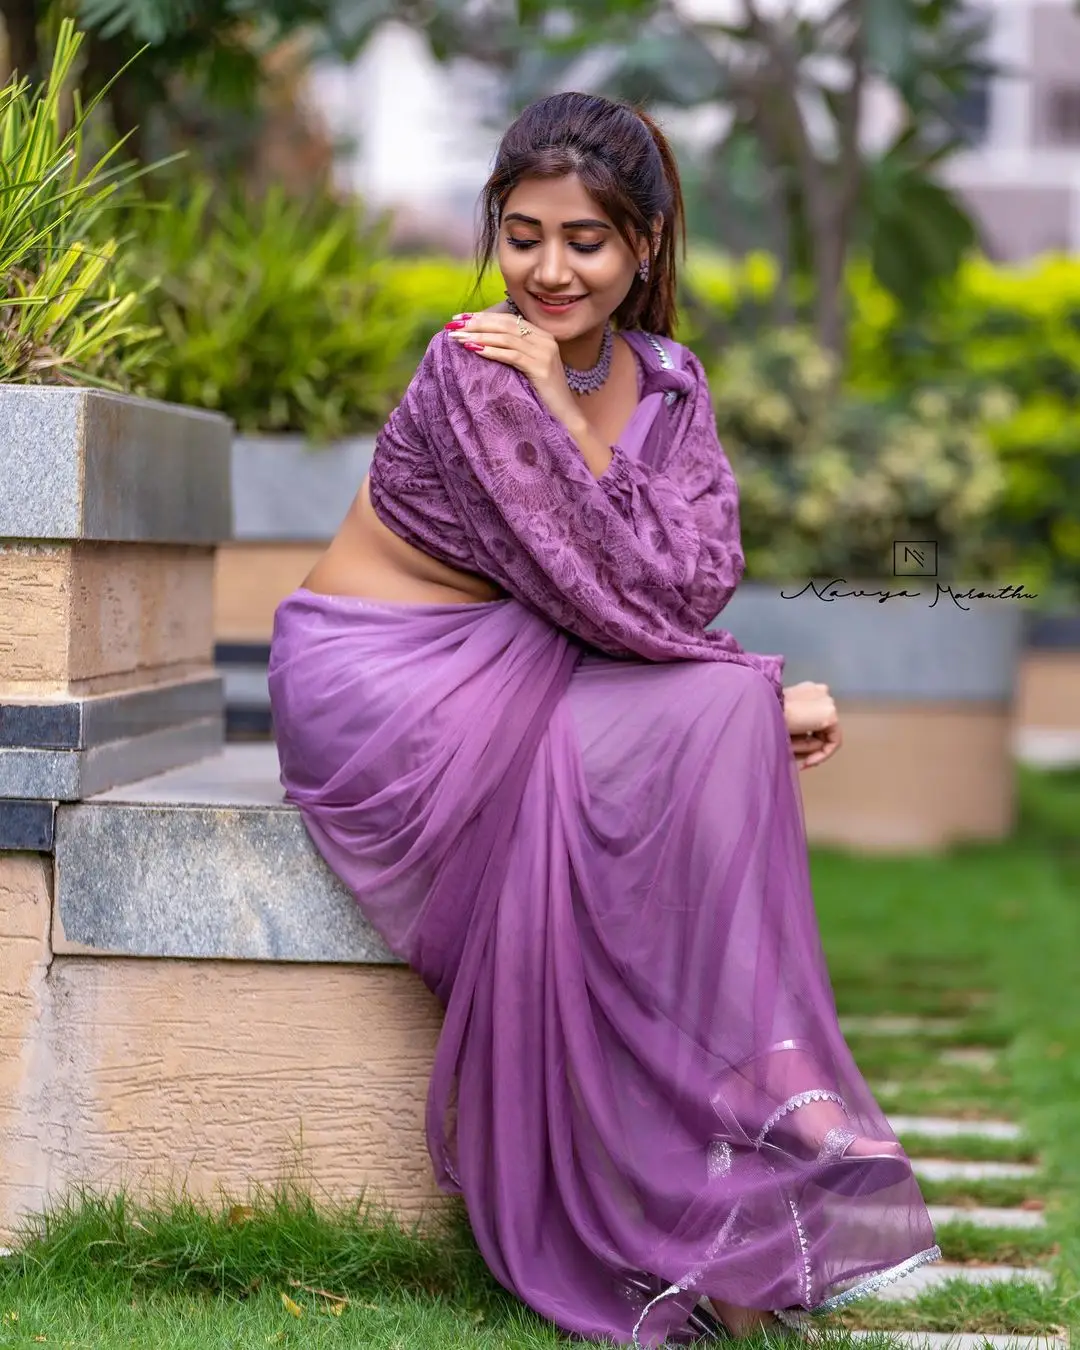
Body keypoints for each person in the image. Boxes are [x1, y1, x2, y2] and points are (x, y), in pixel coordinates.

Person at [268, 91, 940, 1346]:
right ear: (495, 233)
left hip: (539, 645)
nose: (549, 269)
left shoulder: (673, 384)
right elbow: (603, 590)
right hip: (386, 682)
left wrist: (732, 675)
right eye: (523, 235)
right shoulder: (474, 363)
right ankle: (768, 1124)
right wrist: (750, 691)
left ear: (645, 243)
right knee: (710, 718)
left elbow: (688, 579)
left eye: (586, 240)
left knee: (703, 723)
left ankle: (731, 1163)